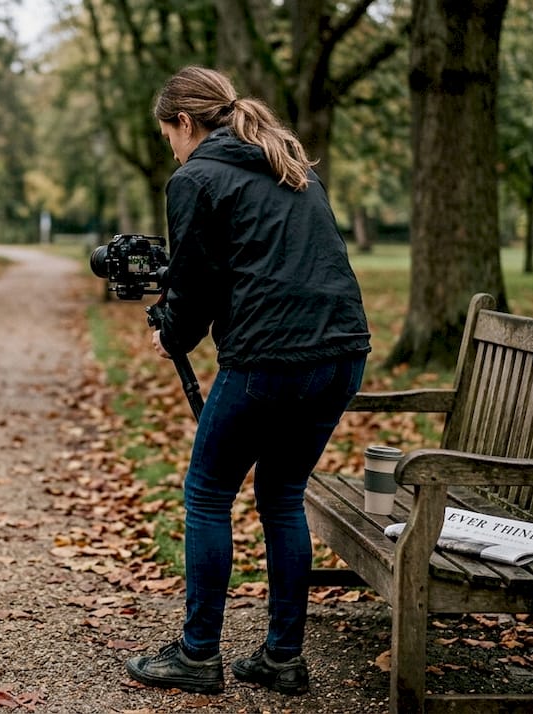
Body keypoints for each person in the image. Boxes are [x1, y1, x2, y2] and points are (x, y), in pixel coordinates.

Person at [124, 66, 371, 696]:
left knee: (208, 493)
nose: (171, 150)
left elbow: (196, 287)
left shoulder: (196, 177)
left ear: (184, 123)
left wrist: (170, 333)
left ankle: (197, 653)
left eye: (168, 136)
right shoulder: (288, 160)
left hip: (271, 360)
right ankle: (282, 657)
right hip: (343, 351)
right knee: (282, 493)